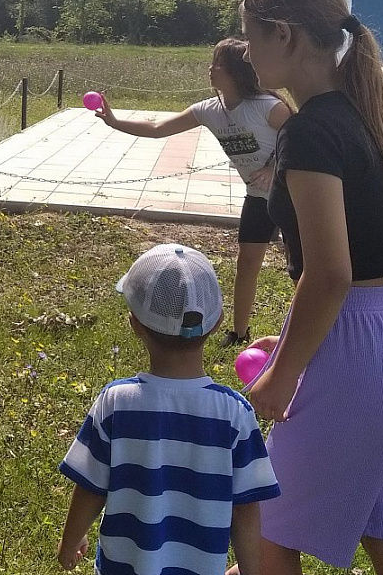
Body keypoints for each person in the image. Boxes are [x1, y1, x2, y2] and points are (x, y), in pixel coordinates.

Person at [238, 0, 383, 574]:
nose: (248, 54)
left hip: (358, 355)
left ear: (286, 36)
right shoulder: (363, 111)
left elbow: (331, 274)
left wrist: (283, 374)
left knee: (267, 531)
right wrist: (305, 345)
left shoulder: (308, 131)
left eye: (251, 38)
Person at [57, 243, 279, 575]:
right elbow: (245, 510)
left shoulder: (116, 403)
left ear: (135, 323)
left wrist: (70, 541)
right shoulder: (235, 414)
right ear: (217, 322)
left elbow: (91, 486)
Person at [95, 39, 291, 346]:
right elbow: (158, 127)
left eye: (218, 65)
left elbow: (298, 134)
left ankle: (307, 333)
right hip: (257, 196)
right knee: (247, 264)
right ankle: (240, 333)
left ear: (237, 72)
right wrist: (114, 121)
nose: (210, 69)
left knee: (301, 267)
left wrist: (273, 166)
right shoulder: (209, 110)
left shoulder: (268, 107)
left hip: (294, 196)